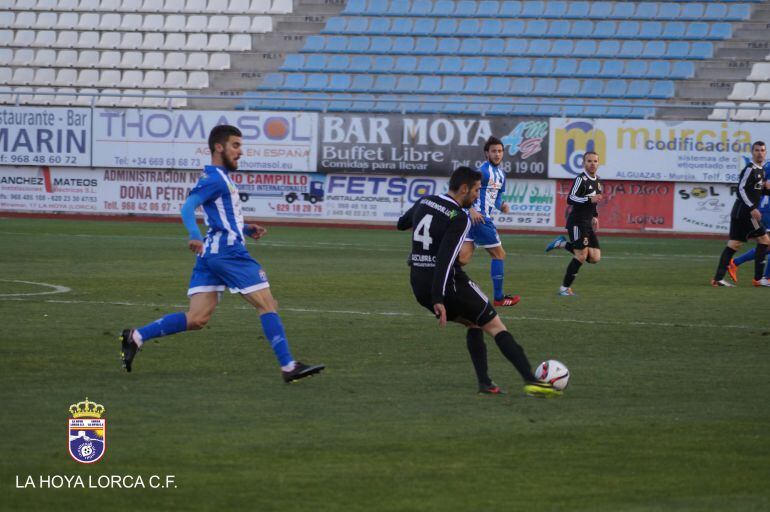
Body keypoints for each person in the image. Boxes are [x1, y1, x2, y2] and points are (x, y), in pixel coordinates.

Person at [119, 125, 325, 383]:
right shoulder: (215, 179)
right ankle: (288, 366)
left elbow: (221, 219)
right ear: (219, 147)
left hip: (212, 252)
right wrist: (194, 233)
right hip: (227, 253)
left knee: (197, 318)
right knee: (267, 304)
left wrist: (246, 228)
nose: (240, 152)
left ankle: (136, 337)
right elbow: (188, 207)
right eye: (236, 145)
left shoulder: (222, 178)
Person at [397, 166, 560, 397]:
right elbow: (445, 260)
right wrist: (439, 298)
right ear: (464, 188)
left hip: (418, 285)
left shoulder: (425, 201)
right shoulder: (458, 218)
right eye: (475, 190)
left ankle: (485, 383)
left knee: (473, 323)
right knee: (495, 325)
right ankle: (532, 381)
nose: (476, 196)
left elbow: (401, 223)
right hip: (446, 286)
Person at [457, 136, 520, 307]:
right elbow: (463, 191)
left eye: (500, 151)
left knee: (463, 259)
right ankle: (499, 298)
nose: (497, 154)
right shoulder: (482, 172)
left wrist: (502, 206)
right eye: (493, 151)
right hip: (480, 219)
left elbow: (497, 198)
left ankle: (434, 261)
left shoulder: (501, 175)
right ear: (487, 154)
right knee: (499, 254)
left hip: (475, 220)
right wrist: (471, 210)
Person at [545, 151, 604, 296]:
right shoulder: (581, 179)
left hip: (588, 223)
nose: (592, 164)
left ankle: (562, 244)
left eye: (595, 161)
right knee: (581, 256)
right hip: (577, 223)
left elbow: (595, 202)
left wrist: (595, 216)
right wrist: (589, 199)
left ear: (598, 163)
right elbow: (570, 198)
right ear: (584, 163)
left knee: (595, 257)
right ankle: (564, 289)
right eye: (589, 161)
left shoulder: (598, 181)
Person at [712, 141, 770, 287]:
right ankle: (759, 279)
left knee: (734, 244)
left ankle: (718, 279)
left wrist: (766, 189)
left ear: (766, 153)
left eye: (762, 150)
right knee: (765, 241)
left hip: (741, 212)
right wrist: (752, 207)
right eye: (757, 150)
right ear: (752, 152)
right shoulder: (750, 169)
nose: (760, 153)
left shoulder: (761, 171)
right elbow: (741, 190)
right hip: (745, 212)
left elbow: (755, 191)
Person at [725, 157, 770, 286]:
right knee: (765, 242)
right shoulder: (767, 167)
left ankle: (736, 263)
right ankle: (765, 278)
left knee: (766, 244)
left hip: (764, 208)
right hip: (767, 209)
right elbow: (763, 184)